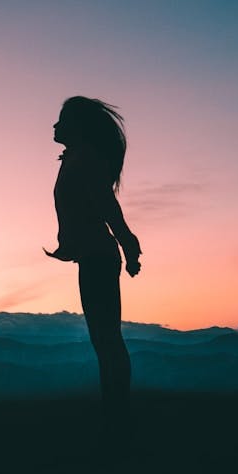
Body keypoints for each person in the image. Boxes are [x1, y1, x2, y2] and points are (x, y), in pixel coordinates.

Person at [44, 96, 142, 419]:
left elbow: (106, 205)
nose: (55, 125)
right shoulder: (76, 158)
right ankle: (116, 415)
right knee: (105, 341)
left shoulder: (84, 159)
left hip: (98, 258)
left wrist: (128, 243)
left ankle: (118, 419)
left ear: (78, 127)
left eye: (62, 120)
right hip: (92, 257)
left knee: (107, 341)